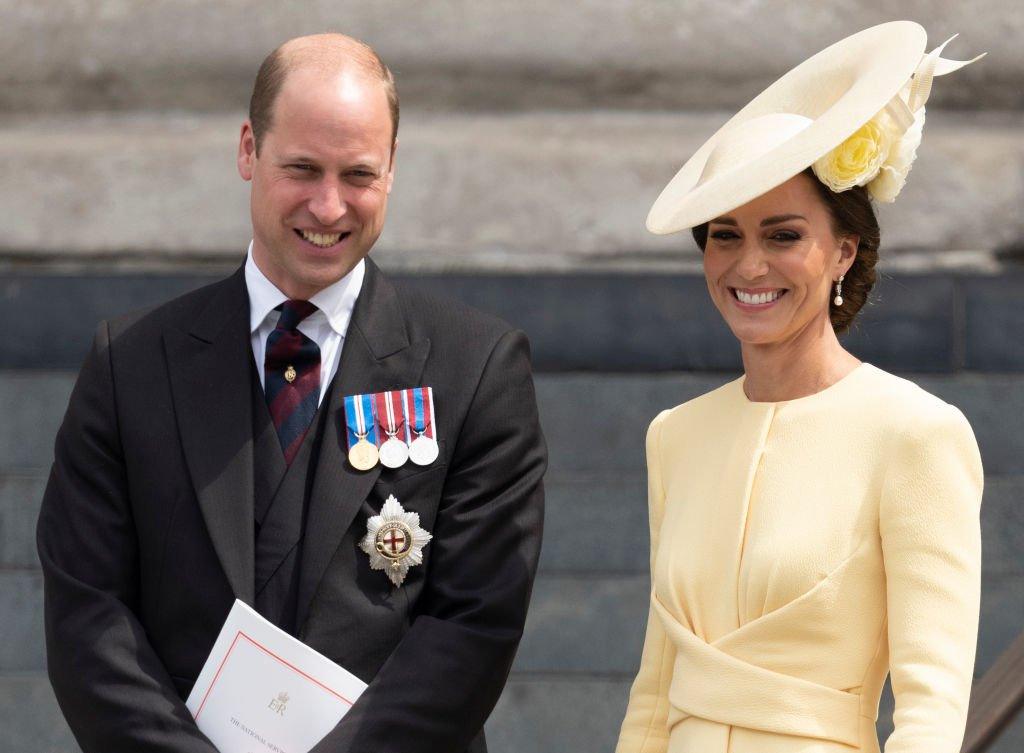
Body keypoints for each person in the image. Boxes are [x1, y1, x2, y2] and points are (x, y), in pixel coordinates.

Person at [37, 33, 546, 753]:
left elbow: (474, 624)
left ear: (393, 168)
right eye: (302, 168)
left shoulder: (476, 368)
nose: (329, 206)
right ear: (248, 150)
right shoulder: (130, 365)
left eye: (359, 174)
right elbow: (89, 616)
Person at [615, 21, 984, 753]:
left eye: (782, 235)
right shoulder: (675, 434)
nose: (748, 265)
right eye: (726, 234)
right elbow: (656, 688)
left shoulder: (915, 432)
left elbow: (932, 711)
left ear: (844, 249)